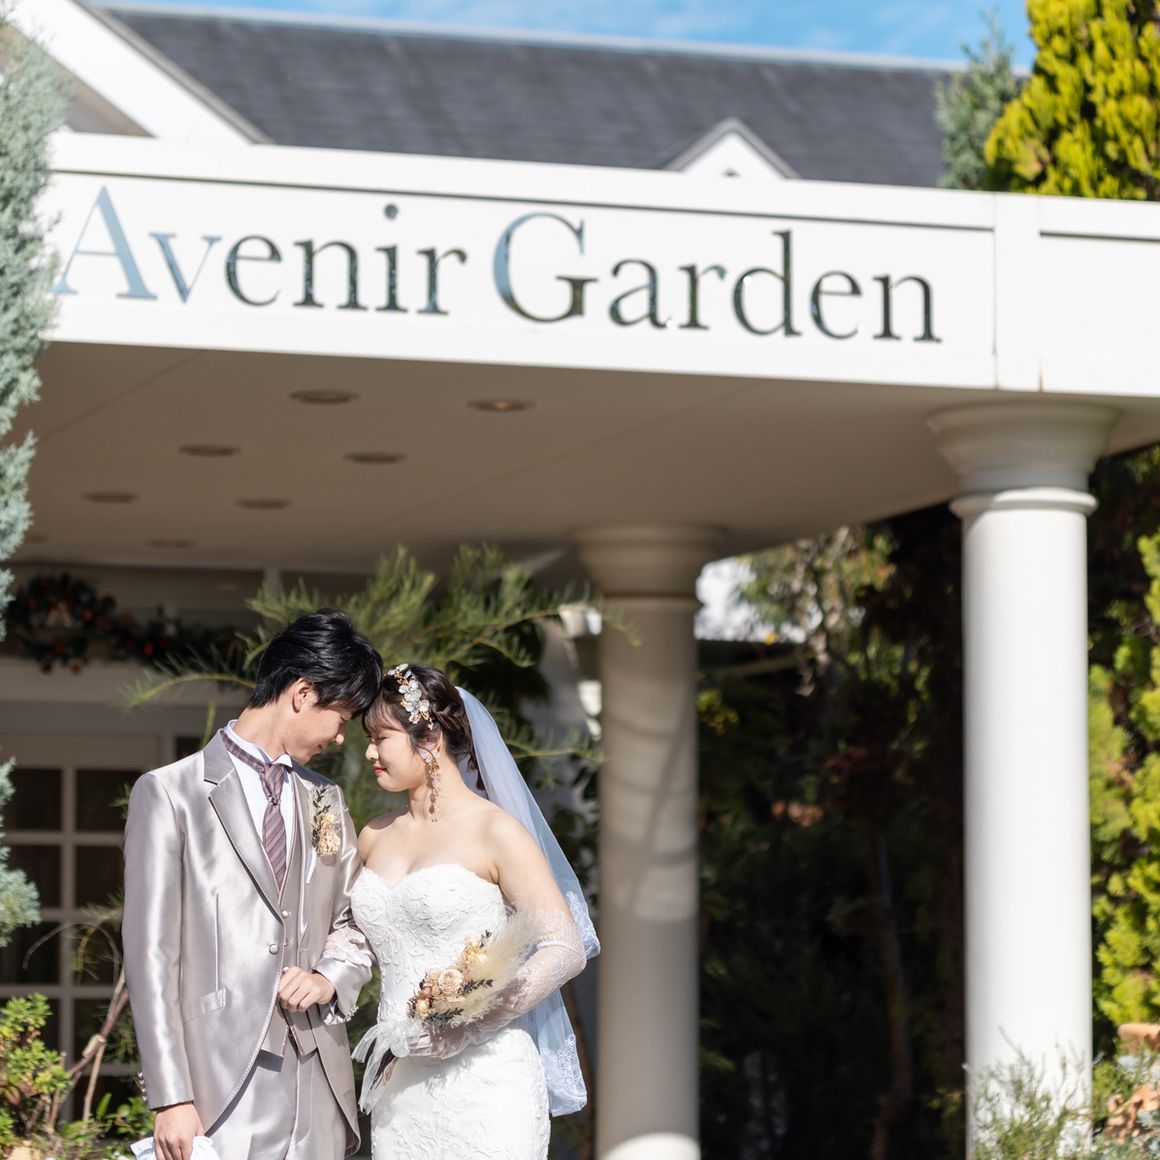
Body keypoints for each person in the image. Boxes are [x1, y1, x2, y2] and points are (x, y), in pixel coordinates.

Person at [123, 609, 382, 1160]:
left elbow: (356, 918)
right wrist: (171, 1095)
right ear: (302, 693)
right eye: (341, 718)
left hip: (318, 1079)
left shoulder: (325, 799)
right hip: (220, 1081)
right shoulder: (171, 794)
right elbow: (151, 956)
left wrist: (329, 976)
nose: (341, 737)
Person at [351, 663, 599, 1160]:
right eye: (368, 740)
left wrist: (471, 1024)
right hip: (401, 1088)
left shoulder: (496, 831)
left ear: (430, 738)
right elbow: (352, 938)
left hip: (488, 1081)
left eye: (381, 738)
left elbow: (565, 947)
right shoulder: (373, 835)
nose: (370, 752)